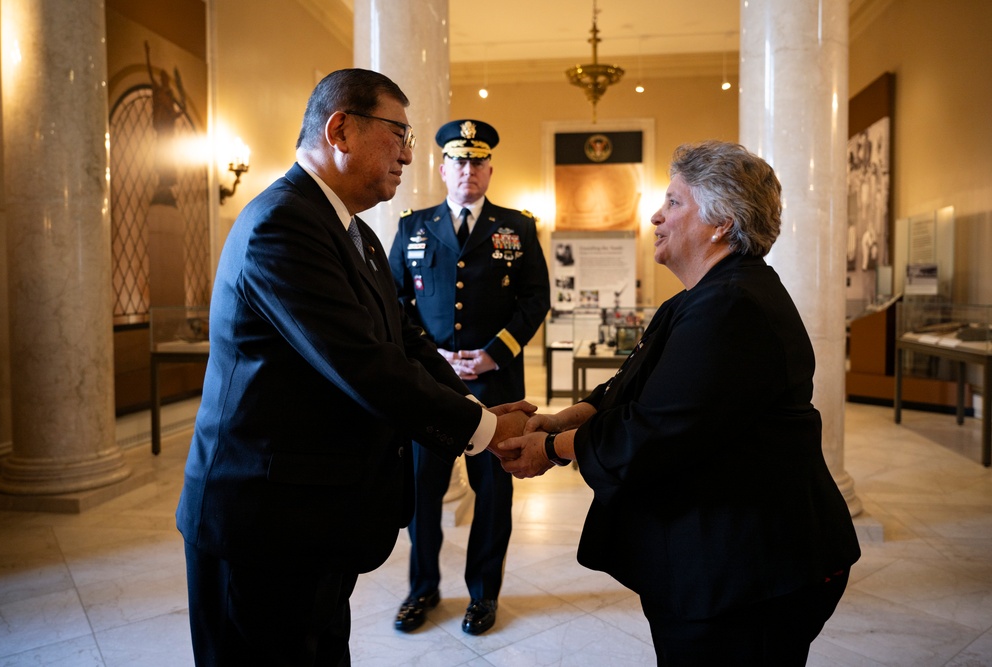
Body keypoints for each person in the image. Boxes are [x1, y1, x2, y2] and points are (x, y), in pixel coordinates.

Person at [175, 69, 532, 667]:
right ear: (340, 129)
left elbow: (403, 340)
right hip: (264, 525)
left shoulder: (354, 232)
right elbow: (362, 364)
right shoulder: (282, 225)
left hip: (314, 520)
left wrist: (477, 412)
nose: (410, 154)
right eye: (399, 133)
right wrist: (487, 435)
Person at [501, 140, 862, 665]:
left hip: (750, 573)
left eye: (673, 202)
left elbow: (658, 429)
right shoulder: (704, 296)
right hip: (721, 559)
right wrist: (558, 420)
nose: (655, 215)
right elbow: (627, 388)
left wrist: (553, 448)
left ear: (721, 223)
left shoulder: (732, 306)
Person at [388, 119, 551, 635]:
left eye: (477, 162)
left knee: (494, 496)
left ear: (489, 170)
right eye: (458, 162)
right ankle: (423, 589)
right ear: (442, 169)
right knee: (422, 493)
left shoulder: (518, 227)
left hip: (496, 384)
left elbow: (535, 298)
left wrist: (493, 354)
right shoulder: (413, 226)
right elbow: (394, 304)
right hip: (431, 386)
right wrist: (434, 356)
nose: (468, 171)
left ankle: (483, 594)